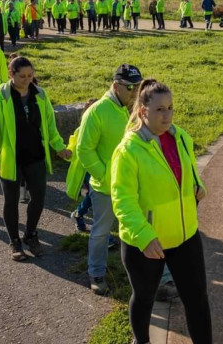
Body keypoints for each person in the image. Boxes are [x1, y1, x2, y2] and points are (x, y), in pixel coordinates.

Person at [112, 79, 212, 344]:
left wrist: (198, 186)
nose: (166, 115)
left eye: (170, 108)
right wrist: (144, 236)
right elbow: (122, 201)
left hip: (185, 236)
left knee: (197, 300)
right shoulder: (129, 150)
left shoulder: (180, 136)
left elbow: (189, 171)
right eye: (159, 109)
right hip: (146, 243)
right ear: (143, 111)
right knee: (144, 298)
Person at [0, 56, 70, 261]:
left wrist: (59, 147)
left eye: (30, 75)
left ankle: (31, 234)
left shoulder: (40, 94)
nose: (27, 80)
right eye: (22, 76)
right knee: (11, 201)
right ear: (11, 74)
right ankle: (14, 241)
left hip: (35, 156)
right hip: (10, 159)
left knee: (38, 198)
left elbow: (49, 124)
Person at [76, 64, 142, 294]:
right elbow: (84, 150)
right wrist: (105, 175)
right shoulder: (97, 111)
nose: (136, 93)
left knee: (141, 227)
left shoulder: (132, 108)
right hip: (105, 187)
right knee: (102, 232)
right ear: (116, 86)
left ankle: (154, 276)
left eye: (139, 87)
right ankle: (96, 273)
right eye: (131, 87)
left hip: (133, 184)